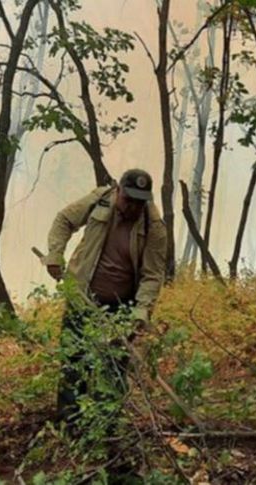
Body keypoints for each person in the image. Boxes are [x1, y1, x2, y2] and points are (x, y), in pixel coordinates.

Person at [43, 168, 166, 425]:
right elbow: (64, 219)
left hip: (121, 310)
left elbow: (152, 275)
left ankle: (106, 427)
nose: (132, 207)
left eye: (139, 202)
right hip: (82, 299)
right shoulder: (99, 200)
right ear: (118, 190)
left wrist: (141, 313)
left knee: (112, 369)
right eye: (128, 199)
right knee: (74, 362)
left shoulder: (154, 227)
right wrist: (55, 254)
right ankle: (70, 424)